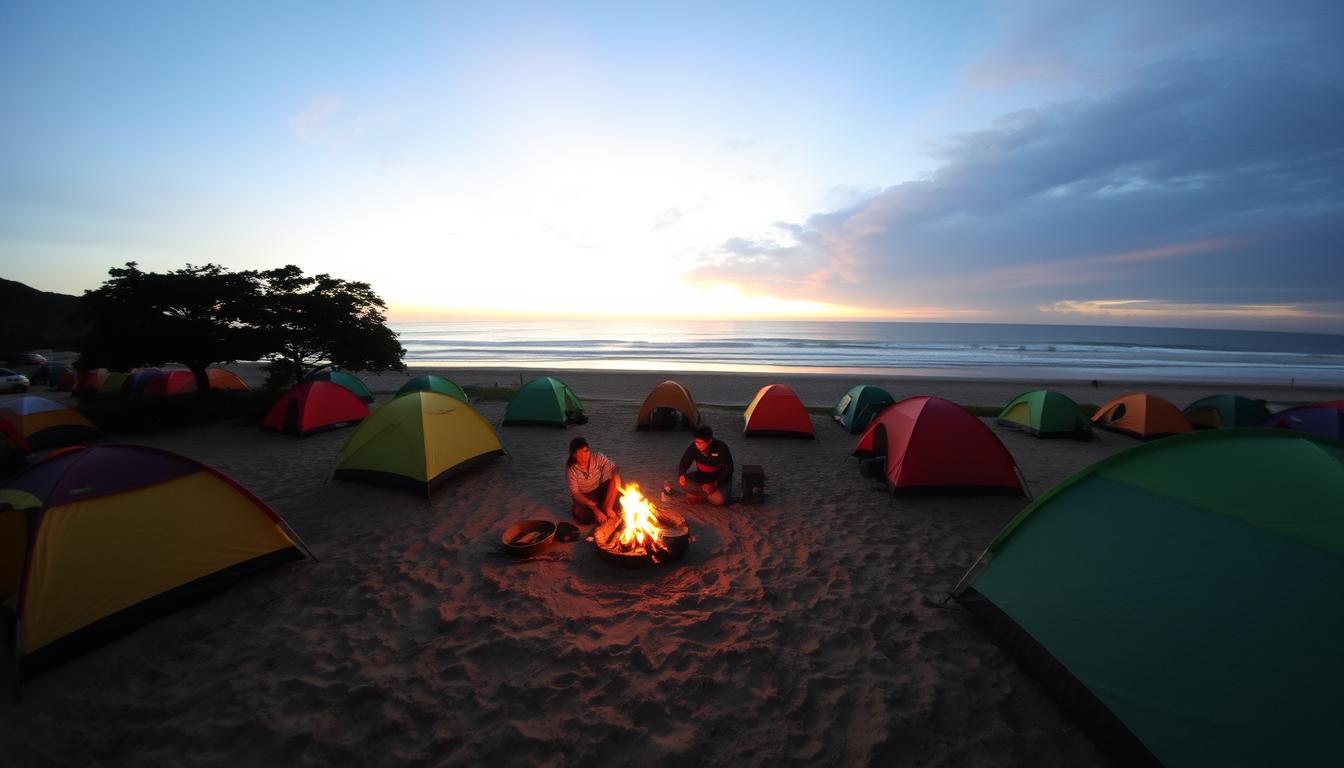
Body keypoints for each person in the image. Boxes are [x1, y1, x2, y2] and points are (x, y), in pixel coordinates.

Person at [565, 436, 622, 524]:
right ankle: (579, 508)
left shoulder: (598, 457)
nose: (585, 457)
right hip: (585, 495)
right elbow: (575, 493)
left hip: (599, 489)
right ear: (574, 456)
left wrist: (615, 474)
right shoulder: (571, 468)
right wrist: (594, 509)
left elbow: (614, 467)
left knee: (616, 480)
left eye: (586, 451)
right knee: (587, 519)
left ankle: (607, 507)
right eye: (580, 454)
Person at [678, 425, 734, 506]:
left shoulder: (721, 447)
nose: (698, 445)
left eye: (700, 443)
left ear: (709, 441)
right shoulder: (694, 447)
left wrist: (715, 484)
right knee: (683, 483)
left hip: (719, 478)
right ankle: (706, 494)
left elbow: (728, 469)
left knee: (720, 500)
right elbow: (684, 461)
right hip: (702, 476)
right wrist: (682, 474)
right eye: (696, 442)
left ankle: (700, 494)